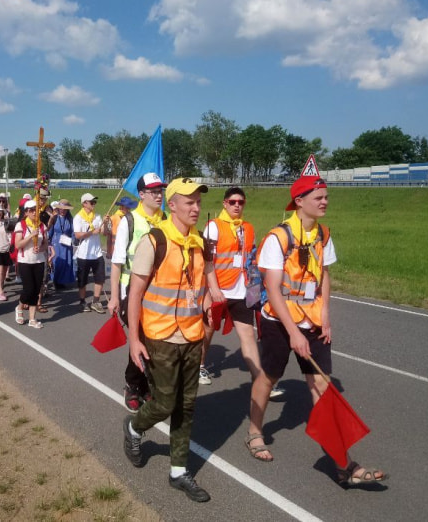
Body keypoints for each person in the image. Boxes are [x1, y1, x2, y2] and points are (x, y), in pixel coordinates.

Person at [257, 171, 388, 486]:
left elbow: (324, 276)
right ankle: (254, 431)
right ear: (299, 202)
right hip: (279, 320)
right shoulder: (278, 237)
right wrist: (293, 332)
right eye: (319, 197)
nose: (325, 201)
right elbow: (273, 288)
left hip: (312, 321)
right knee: (269, 377)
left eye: (326, 196)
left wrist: (325, 316)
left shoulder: (322, 235)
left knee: (322, 389)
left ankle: (343, 464)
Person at [122, 177, 212, 503]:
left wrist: (205, 304)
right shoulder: (154, 241)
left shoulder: (200, 242)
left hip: (192, 335)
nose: (196, 207)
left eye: (198, 201)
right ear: (172, 205)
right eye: (189, 201)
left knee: (186, 407)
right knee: (163, 403)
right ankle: (134, 427)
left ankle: (178, 471)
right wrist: (134, 339)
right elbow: (135, 294)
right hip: (159, 335)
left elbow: (198, 286)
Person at [201, 187, 273, 462]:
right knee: (208, 331)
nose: (237, 206)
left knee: (247, 334)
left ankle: (259, 376)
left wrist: (256, 287)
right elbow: (207, 261)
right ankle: (200, 365)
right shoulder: (213, 227)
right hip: (218, 290)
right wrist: (213, 289)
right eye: (232, 202)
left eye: (241, 202)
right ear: (224, 203)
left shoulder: (249, 228)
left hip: (242, 291)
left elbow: (250, 259)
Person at [106, 172, 166, 412]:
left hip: (160, 291)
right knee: (139, 339)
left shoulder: (167, 220)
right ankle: (133, 385)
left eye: (160, 190)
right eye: (153, 191)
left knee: (155, 341)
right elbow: (117, 262)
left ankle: (147, 385)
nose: (158, 195)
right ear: (141, 195)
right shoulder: (129, 222)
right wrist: (113, 297)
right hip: (132, 290)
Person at [13, 200, 48, 329]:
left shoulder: (42, 226)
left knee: (36, 289)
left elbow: (45, 243)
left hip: (39, 260)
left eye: (36, 209)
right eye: (31, 210)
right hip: (25, 261)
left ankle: (32, 319)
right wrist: (30, 236)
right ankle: (20, 307)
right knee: (29, 289)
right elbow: (17, 245)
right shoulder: (20, 226)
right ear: (26, 212)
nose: (34, 212)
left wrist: (41, 248)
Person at [74, 193, 107, 313]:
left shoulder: (97, 216)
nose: (94, 204)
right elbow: (77, 235)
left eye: (94, 202)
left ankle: (96, 301)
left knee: (100, 279)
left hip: (97, 253)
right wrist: (92, 232)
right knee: (82, 280)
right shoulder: (78, 218)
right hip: (83, 254)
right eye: (91, 202)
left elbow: (104, 233)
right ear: (84, 203)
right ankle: (82, 301)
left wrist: (105, 223)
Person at [48, 199, 76, 289]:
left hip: (67, 245)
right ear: (58, 209)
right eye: (61, 209)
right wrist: (49, 243)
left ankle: (62, 281)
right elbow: (50, 232)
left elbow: (73, 232)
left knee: (66, 263)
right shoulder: (55, 218)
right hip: (56, 244)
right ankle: (55, 281)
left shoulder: (70, 219)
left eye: (65, 209)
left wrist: (74, 240)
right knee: (57, 263)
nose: (63, 211)